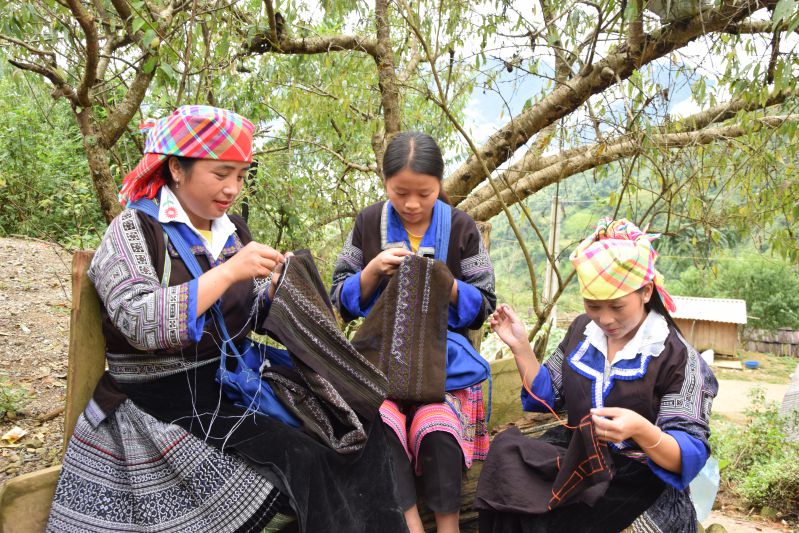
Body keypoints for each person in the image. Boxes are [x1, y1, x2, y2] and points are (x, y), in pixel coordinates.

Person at [47, 105, 406, 533]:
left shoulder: (231, 229)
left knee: (359, 423)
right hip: (161, 395)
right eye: (221, 174)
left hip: (230, 380)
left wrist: (273, 290)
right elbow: (139, 320)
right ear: (177, 169)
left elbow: (244, 313)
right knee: (303, 458)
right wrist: (229, 272)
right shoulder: (134, 230)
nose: (232, 188)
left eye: (240, 175)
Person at [475, 218, 719, 533]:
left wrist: (641, 430)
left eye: (617, 307)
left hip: (639, 476)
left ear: (645, 292)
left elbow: (687, 455)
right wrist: (520, 346)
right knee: (506, 460)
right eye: (593, 305)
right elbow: (547, 395)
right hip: (577, 456)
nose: (605, 319)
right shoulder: (581, 332)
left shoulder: (678, 359)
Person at [330, 132, 496, 533]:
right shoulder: (368, 222)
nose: (411, 204)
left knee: (438, 428)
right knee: (381, 427)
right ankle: (411, 526)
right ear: (384, 183)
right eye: (399, 192)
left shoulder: (460, 227)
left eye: (424, 193)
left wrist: (447, 283)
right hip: (379, 365)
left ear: (439, 183)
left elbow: (485, 304)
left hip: (444, 369)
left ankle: (449, 525)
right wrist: (371, 272)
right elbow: (339, 294)